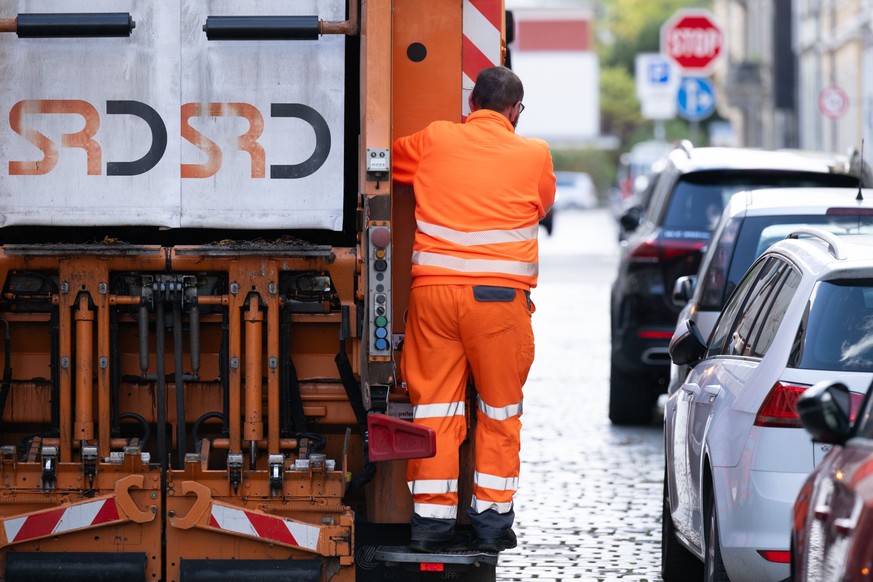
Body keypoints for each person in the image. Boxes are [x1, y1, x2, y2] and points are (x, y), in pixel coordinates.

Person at [392, 66, 557, 553]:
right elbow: (542, 203)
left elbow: (385, 161)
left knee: (435, 410)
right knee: (499, 413)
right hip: (499, 303)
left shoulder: (435, 140)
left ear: (471, 103)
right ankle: (490, 525)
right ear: (514, 111)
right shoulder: (535, 154)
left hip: (434, 298)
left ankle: (430, 526)